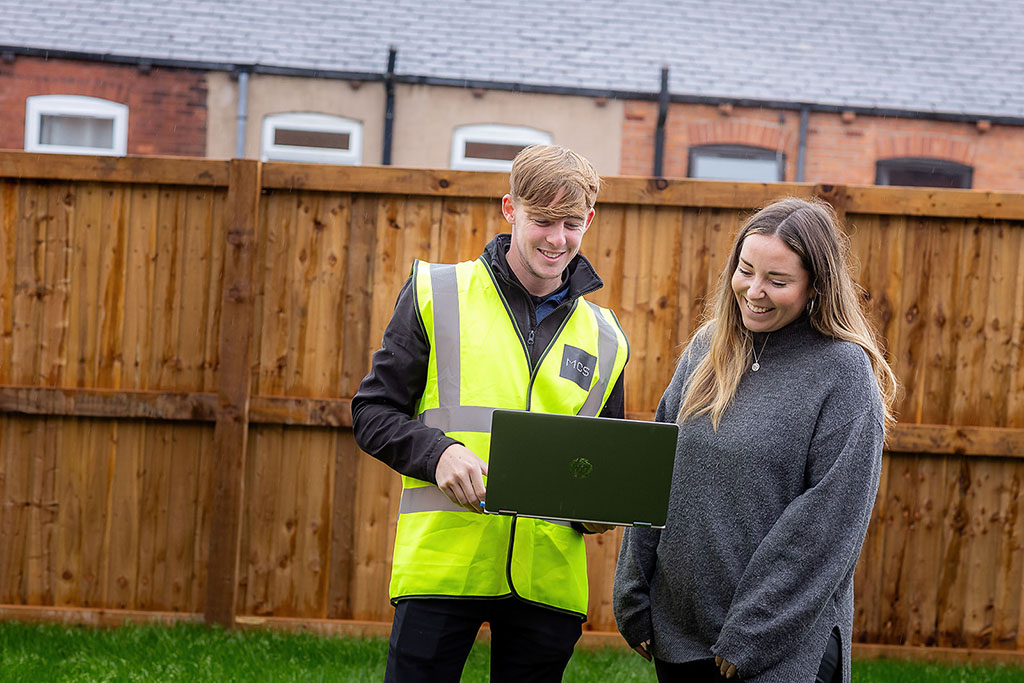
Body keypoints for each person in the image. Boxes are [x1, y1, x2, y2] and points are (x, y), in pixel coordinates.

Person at [352, 144, 629, 683]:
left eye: (571, 223)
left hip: (548, 578)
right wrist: (438, 454)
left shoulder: (607, 336)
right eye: (542, 220)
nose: (557, 238)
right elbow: (373, 411)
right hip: (443, 565)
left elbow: (601, 462)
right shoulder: (437, 292)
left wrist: (599, 509)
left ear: (589, 221)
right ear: (510, 210)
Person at [613, 197, 898, 683]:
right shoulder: (708, 348)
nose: (754, 291)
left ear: (815, 287)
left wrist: (754, 634)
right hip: (680, 637)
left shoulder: (843, 373)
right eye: (746, 271)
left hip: (779, 651)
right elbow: (654, 472)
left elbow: (828, 526)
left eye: (778, 281)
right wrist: (633, 594)